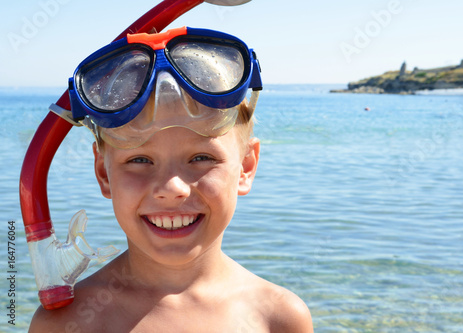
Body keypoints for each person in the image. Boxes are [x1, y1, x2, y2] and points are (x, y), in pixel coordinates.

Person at [29, 27, 313, 332]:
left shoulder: (279, 318)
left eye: (201, 158)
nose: (171, 189)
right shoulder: (67, 324)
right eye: (139, 160)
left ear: (245, 166)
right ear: (103, 173)